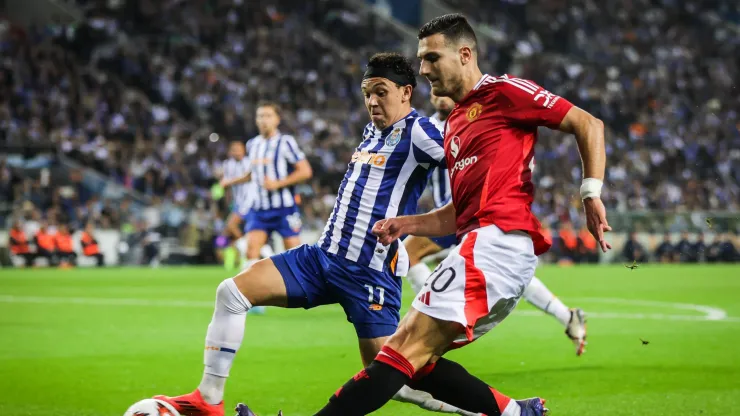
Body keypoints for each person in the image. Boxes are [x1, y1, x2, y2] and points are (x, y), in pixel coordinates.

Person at [297, 14, 611, 416]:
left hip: (497, 245)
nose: (423, 69)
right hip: (479, 243)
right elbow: (460, 213)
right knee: (418, 362)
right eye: (420, 59)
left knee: (399, 351)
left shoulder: (504, 91)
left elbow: (588, 123)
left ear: (464, 54)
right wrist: (406, 224)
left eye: (431, 58)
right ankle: (517, 413)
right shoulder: (457, 121)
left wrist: (590, 193)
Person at [155, 53, 476, 416]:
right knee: (230, 292)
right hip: (321, 259)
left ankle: (492, 411)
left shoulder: (421, 132)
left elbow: (472, 164)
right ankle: (209, 399)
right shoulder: (373, 129)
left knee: (395, 378)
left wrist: (418, 223)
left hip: (367, 274)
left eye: (381, 92)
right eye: (366, 92)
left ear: (406, 92)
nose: (371, 100)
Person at [405, 95, 587, 357]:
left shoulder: (472, 120)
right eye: (435, 92)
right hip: (450, 215)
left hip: (470, 212)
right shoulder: (428, 127)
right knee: (509, 273)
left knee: (408, 255)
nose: (440, 97)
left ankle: (430, 316)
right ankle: (567, 316)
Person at [221, 102, 313, 270]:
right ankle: (254, 294)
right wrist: (231, 181)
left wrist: (278, 184)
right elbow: (252, 174)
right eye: (260, 116)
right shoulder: (252, 144)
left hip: (284, 207)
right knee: (251, 252)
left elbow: (305, 171)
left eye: (268, 116)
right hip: (260, 209)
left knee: (294, 254)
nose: (264, 120)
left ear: (277, 120)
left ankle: (302, 292)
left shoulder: (286, 142)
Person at [219, 140, 273, 269]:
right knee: (232, 232)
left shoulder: (249, 162)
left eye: (239, 149)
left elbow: (249, 178)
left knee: (231, 226)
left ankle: (248, 249)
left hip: (250, 201)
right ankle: (261, 251)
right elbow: (227, 188)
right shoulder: (227, 164)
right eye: (234, 150)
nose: (237, 152)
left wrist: (229, 182)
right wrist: (228, 203)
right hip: (237, 202)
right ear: (230, 152)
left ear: (244, 151)